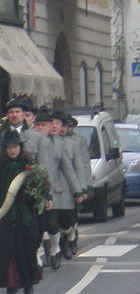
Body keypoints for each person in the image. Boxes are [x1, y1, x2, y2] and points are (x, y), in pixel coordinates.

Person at [0, 130, 46, 294]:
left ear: (20, 147)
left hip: (25, 218)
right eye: (9, 147)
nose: (12, 151)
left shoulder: (30, 168)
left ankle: (28, 282)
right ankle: (11, 289)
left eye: (15, 147)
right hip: (4, 219)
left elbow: (40, 192)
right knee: (7, 254)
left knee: (27, 251)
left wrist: (30, 197)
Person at [37, 109, 84, 269]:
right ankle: (51, 252)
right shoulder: (30, 142)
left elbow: (69, 169)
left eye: (43, 125)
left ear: (50, 126)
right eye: (38, 125)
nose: (40, 128)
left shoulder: (59, 144)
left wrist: (78, 190)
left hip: (56, 192)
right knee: (44, 226)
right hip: (34, 193)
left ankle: (62, 243)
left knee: (62, 223)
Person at [0, 96, 50, 171]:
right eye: (11, 112)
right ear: (7, 115)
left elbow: (43, 166)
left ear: (24, 114)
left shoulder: (37, 137)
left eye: (17, 112)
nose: (14, 115)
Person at [62, 114, 92, 257]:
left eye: (69, 126)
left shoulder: (78, 141)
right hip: (61, 183)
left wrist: (86, 185)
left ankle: (72, 237)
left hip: (74, 182)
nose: (66, 128)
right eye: (65, 125)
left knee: (73, 213)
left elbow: (84, 164)